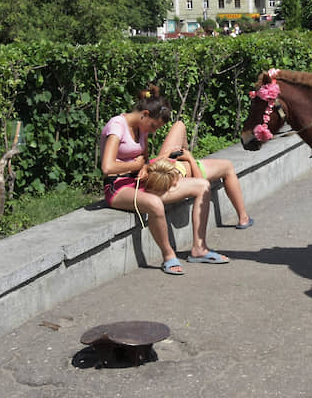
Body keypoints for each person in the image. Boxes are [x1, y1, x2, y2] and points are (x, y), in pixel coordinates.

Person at [99, 86, 229, 276]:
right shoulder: (117, 126)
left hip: (139, 181)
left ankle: (199, 248)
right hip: (117, 188)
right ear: (144, 114)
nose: (152, 132)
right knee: (155, 204)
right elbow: (107, 167)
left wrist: (144, 168)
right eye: (153, 126)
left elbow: (142, 160)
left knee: (202, 186)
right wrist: (135, 166)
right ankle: (168, 256)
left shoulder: (141, 129)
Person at [150, 120, 253, 230]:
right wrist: (190, 159)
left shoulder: (153, 169)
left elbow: (152, 164)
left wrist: (166, 156)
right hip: (191, 167)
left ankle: (184, 152)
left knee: (179, 124)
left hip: (169, 161)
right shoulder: (178, 178)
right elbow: (200, 183)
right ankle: (243, 217)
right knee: (228, 167)